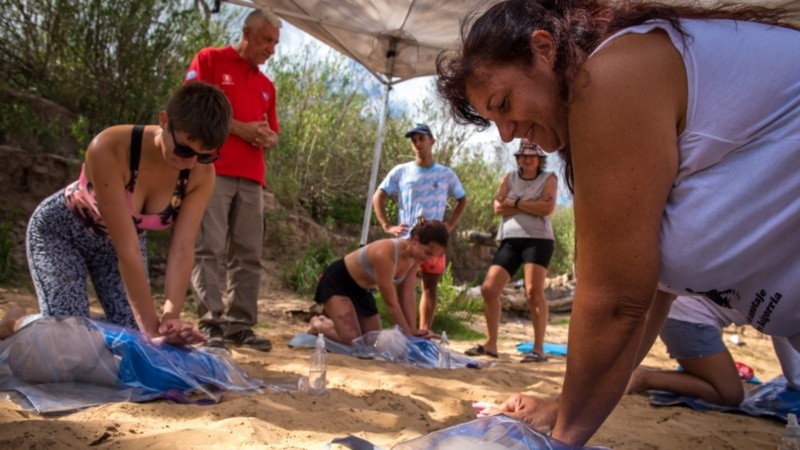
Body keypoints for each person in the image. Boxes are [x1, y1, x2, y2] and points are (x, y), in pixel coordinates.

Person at [436, 0, 800, 446]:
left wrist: (562, 440)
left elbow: (615, 301)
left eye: (504, 103)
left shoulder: (610, 75)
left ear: (544, 49)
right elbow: (647, 296)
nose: (508, 134)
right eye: (494, 122)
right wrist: (563, 409)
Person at [25, 82, 232, 346]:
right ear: (164, 120)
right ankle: (18, 323)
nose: (191, 163)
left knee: (134, 339)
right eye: (184, 150)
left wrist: (170, 317)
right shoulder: (109, 147)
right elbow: (128, 249)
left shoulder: (201, 174)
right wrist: (152, 333)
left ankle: (90, 326)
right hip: (62, 233)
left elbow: (182, 248)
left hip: (120, 246)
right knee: (68, 339)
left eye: (204, 156)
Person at [185, 9, 281, 351]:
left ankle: (241, 325)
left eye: (275, 43)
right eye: (267, 40)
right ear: (248, 32)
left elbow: (273, 132)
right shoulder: (210, 60)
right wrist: (239, 128)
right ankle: (211, 321)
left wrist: (268, 138)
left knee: (248, 254)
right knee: (208, 247)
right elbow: (192, 109)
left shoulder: (267, 85)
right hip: (213, 170)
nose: (272, 49)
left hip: (253, 178)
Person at [465, 139, 557, 362]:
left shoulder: (549, 178)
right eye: (523, 155)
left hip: (538, 239)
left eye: (533, 156)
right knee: (489, 289)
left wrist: (514, 203)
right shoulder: (509, 177)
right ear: (518, 158)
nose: (528, 159)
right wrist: (529, 203)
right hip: (510, 240)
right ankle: (491, 344)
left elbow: (546, 208)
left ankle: (538, 349)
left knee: (533, 291)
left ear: (540, 160)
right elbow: (497, 206)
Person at [372, 123, 467, 333]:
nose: (418, 144)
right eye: (414, 140)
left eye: (422, 139)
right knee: (404, 285)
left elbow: (462, 199)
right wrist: (387, 226)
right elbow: (378, 196)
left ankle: (424, 330)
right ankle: (406, 331)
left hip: (435, 242)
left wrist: (449, 225)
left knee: (430, 287)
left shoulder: (446, 174)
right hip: (408, 240)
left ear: (432, 141)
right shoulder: (401, 171)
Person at [627, 295, 800, 405]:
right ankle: (644, 378)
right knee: (729, 394)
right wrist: (796, 380)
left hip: (680, 313)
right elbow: (784, 331)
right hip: (686, 320)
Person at [307, 219, 449, 345]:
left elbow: (407, 295)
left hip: (362, 290)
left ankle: (330, 323)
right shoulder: (384, 254)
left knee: (372, 342)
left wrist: (412, 330)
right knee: (353, 341)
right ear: (416, 240)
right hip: (338, 282)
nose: (428, 259)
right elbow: (391, 303)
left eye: (432, 256)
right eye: (427, 252)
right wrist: (408, 335)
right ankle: (317, 325)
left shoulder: (415, 259)